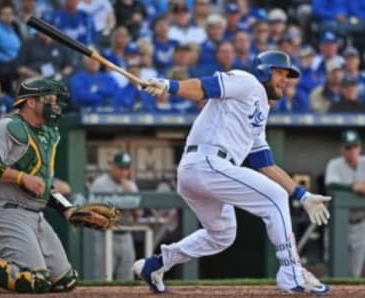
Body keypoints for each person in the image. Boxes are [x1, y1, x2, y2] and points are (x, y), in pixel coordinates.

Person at [132, 50, 332, 295]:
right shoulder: (247, 81)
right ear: (264, 71)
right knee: (276, 198)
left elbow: (265, 163)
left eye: (287, 75)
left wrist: (302, 195)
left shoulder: (261, 110)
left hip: (200, 170)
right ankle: (292, 273)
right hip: (209, 162)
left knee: (222, 234)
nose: (285, 80)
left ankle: (157, 264)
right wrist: (168, 86)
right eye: (280, 72)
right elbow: (204, 88)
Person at [0, 77, 78, 293]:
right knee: (35, 281)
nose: (54, 105)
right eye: (49, 99)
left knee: (65, 281)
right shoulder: (8, 126)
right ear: (31, 102)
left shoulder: (47, 133)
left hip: (36, 215)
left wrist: (67, 208)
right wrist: (21, 178)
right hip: (8, 212)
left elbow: (42, 185)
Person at [325, 130, 365, 277]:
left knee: (355, 273)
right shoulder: (334, 164)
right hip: (338, 224)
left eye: (354, 147)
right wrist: (354, 187)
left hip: (360, 223)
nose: (352, 151)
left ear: (359, 148)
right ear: (342, 149)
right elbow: (331, 185)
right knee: (334, 270)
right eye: (348, 147)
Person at [90, 151, 137, 280]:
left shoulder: (130, 186)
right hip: (105, 236)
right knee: (103, 277)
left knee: (127, 277)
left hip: (126, 235)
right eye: (120, 168)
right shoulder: (100, 184)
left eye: (126, 169)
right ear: (112, 166)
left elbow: (139, 213)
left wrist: (129, 194)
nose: (123, 172)